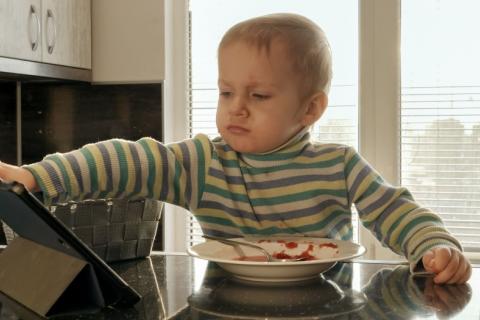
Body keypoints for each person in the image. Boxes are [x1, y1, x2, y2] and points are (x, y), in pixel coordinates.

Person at [0, 13, 471, 284]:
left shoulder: (339, 166)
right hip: (222, 306)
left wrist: (433, 246)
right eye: (226, 92)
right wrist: (41, 179)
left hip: (327, 307)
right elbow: (128, 160)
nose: (236, 109)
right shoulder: (204, 163)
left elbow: (395, 211)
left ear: (310, 109)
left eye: (259, 96)